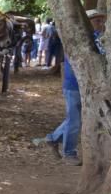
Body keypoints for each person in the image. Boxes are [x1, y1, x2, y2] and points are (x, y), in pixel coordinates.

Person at [34, 9, 106, 166]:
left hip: (86, 85)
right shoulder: (79, 39)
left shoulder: (96, 38)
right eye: (97, 21)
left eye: (102, 20)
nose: (101, 24)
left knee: (75, 119)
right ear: (88, 22)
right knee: (74, 121)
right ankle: (69, 153)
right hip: (74, 85)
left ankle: (52, 139)